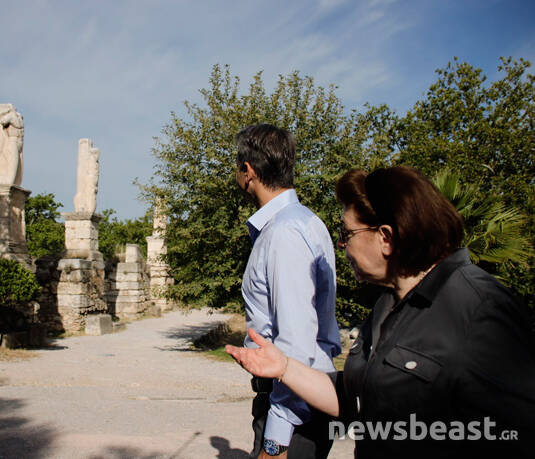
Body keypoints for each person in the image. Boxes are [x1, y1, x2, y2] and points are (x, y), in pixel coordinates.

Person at [226, 166, 535, 458]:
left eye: (347, 233)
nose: (341, 244)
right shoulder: (389, 305)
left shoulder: (480, 308)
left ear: (385, 238)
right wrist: (284, 367)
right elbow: (358, 400)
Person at [234, 124, 341, 458]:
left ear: (248, 171)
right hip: (301, 400)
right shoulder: (304, 222)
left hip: (294, 411)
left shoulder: (284, 233)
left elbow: (296, 343)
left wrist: (276, 442)